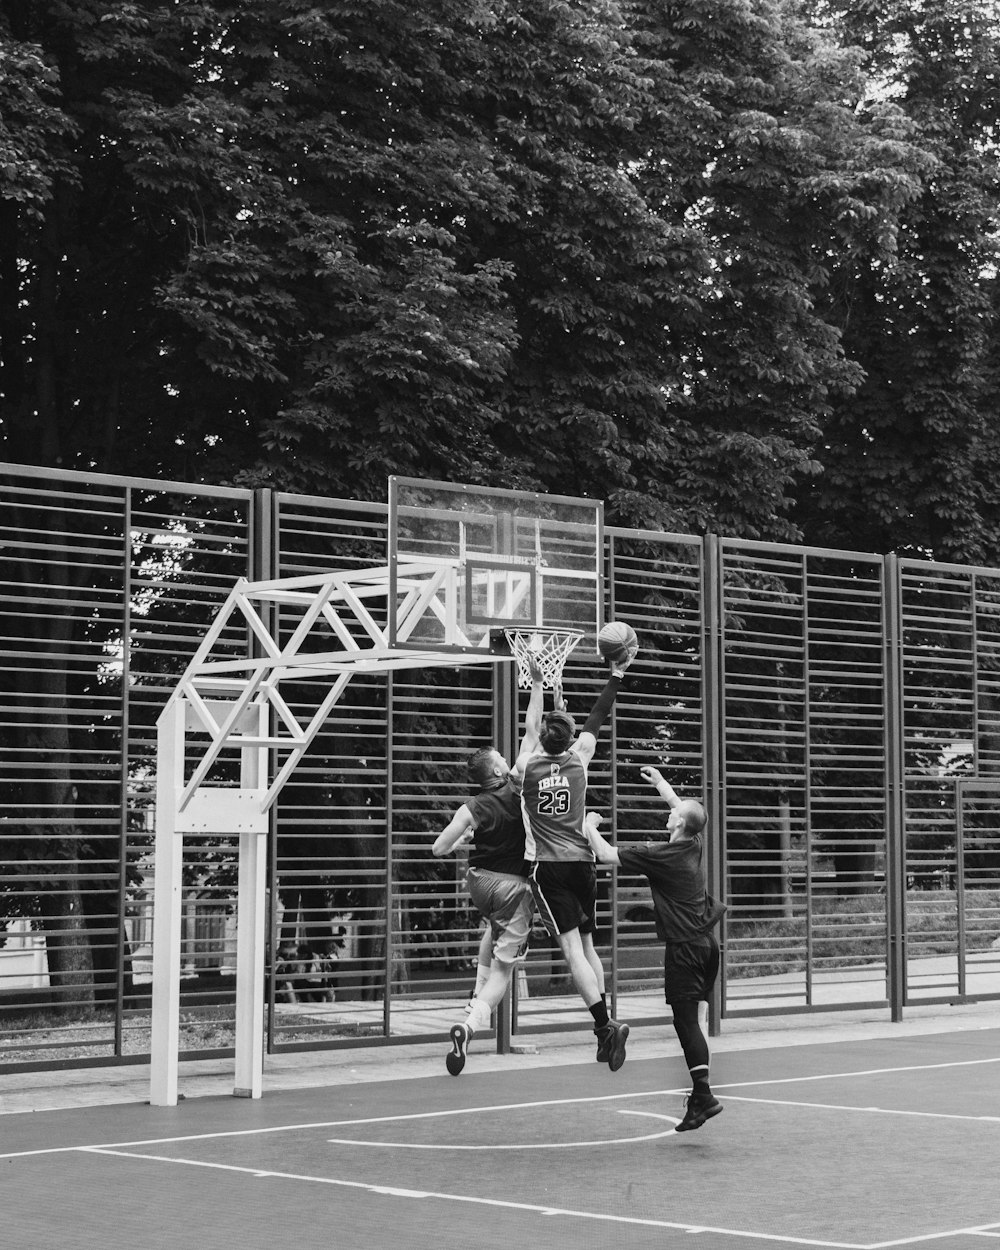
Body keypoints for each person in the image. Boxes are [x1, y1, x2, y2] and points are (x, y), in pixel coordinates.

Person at [585, 764, 727, 1130]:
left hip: (684, 949)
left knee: (685, 1024)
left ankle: (704, 1094)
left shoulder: (659, 854)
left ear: (679, 824)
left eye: (673, 813)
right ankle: (699, 1100)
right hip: (707, 944)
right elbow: (688, 810)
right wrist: (662, 784)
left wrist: (588, 826)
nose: (670, 811)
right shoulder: (693, 842)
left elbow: (605, 854)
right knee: (692, 1019)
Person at [515, 645, 636, 1071]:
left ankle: (605, 1027)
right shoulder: (581, 759)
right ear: (570, 739)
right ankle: (606, 1028)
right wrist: (617, 674)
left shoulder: (525, 767)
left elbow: (532, 728)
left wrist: (535, 681)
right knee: (587, 946)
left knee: (571, 951)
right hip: (584, 863)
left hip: (548, 868)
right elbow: (598, 716)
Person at [432, 664, 545, 1076]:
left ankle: (473, 996)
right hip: (514, 887)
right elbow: (532, 731)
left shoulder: (472, 806)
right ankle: (471, 1021)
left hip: (479, 883)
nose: (504, 754)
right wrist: (535, 682)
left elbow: (439, 847)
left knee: (492, 931)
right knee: (505, 968)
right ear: (498, 770)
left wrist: (463, 837)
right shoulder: (516, 782)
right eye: (500, 755)